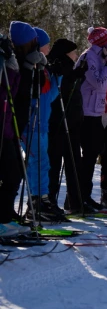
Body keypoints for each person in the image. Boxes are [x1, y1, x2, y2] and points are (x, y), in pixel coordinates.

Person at [21, 27, 67, 222]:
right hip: (31, 124)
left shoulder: (44, 68)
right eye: (46, 45)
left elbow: (50, 96)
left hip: (42, 124)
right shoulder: (32, 65)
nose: (48, 48)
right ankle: (35, 203)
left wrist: (58, 76)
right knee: (36, 163)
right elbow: (32, 95)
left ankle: (43, 200)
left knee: (43, 163)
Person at [78, 27, 107, 210]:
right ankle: (80, 197)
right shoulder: (89, 56)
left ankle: (85, 196)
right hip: (86, 112)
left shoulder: (104, 57)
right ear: (103, 42)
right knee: (88, 156)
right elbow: (99, 84)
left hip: (96, 112)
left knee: (94, 153)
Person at [47, 38, 91, 214]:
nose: (75, 55)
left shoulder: (70, 68)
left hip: (71, 123)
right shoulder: (58, 66)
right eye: (73, 52)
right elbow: (58, 92)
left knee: (74, 164)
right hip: (59, 123)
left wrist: (77, 74)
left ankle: (74, 201)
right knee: (56, 164)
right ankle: (51, 201)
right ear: (66, 53)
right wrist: (74, 76)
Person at [0, 34, 31, 236]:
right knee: (10, 172)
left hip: (7, 126)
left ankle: (5, 215)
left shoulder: (8, 60)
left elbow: (13, 90)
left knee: (16, 171)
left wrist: (15, 66)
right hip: (2, 125)